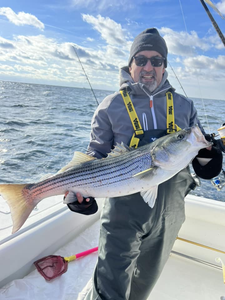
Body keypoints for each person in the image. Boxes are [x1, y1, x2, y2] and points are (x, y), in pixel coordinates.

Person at [65, 28, 223, 300]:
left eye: (157, 60)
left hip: (171, 212)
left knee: (144, 284)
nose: (149, 67)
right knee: (109, 286)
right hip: (123, 212)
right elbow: (95, 156)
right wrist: (76, 195)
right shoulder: (110, 106)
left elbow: (201, 162)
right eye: (141, 59)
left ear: (164, 66)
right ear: (130, 64)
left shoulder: (185, 106)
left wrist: (211, 154)